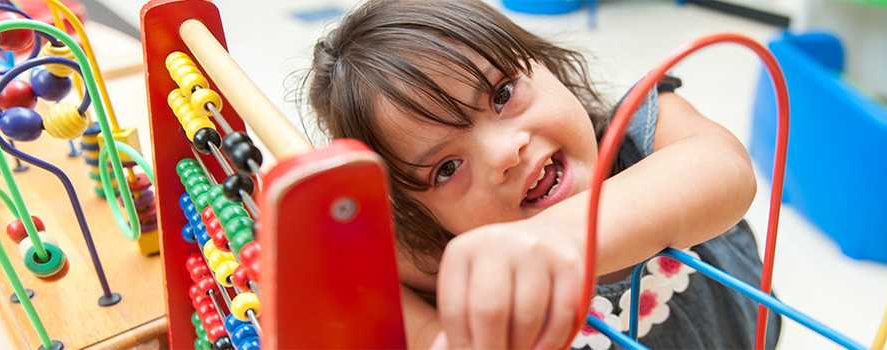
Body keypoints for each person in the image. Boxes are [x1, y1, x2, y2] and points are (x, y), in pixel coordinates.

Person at [301, 1, 780, 348]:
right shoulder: (443, 257)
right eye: (447, 168)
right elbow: (382, 292)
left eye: (503, 94)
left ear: (545, 63)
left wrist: (557, 238)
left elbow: (724, 170)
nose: (505, 151)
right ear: (421, 217)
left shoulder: (647, 126)